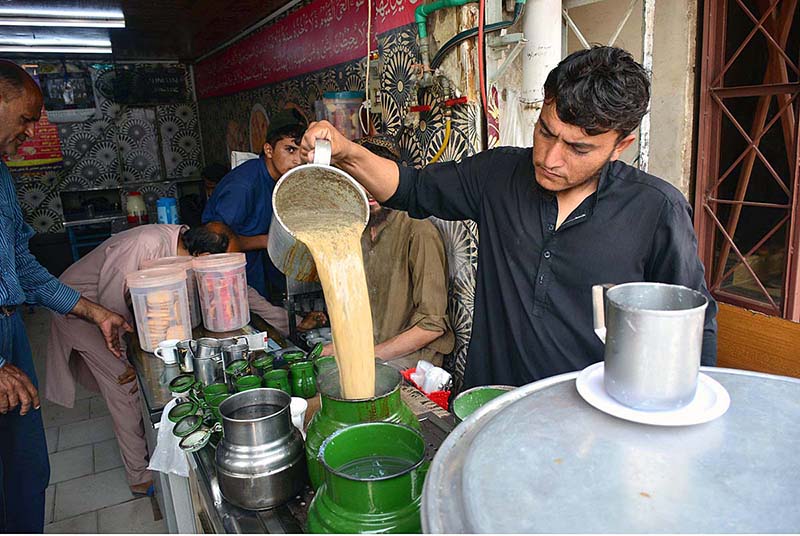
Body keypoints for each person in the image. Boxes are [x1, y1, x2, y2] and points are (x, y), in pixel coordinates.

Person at [301, 46, 718, 389]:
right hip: (493, 402)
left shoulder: (655, 209)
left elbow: (691, 329)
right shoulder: (499, 175)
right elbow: (412, 188)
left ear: (621, 145)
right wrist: (348, 151)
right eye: (545, 131)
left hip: (592, 420)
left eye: (579, 148)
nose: (551, 158)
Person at [0, 59, 131, 533]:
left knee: (27, 467)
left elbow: (24, 267)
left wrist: (94, 312)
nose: (33, 132)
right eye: (27, 117)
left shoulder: (1, 177)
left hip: (10, 324)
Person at [45, 224, 234, 496]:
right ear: (202, 255)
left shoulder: (177, 245)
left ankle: (145, 447)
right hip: (79, 307)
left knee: (132, 376)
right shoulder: (147, 243)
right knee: (124, 386)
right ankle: (139, 475)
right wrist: (125, 355)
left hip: (107, 309)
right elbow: (110, 300)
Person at [321, 136, 454, 369]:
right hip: (373, 352)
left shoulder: (418, 231)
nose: (369, 188)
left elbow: (431, 326)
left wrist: (366, 358)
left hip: (412, 362)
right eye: (360, 178)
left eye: (375, 177)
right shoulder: (356, 231)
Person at [203, 109, 307, 302]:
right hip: (232, 278)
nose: (297, 160)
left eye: (303, 152)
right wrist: (269, 240)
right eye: (290, 150)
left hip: (261, 272)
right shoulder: (244, 186)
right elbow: (216, 242)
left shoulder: (283, 180)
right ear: (269, 150)